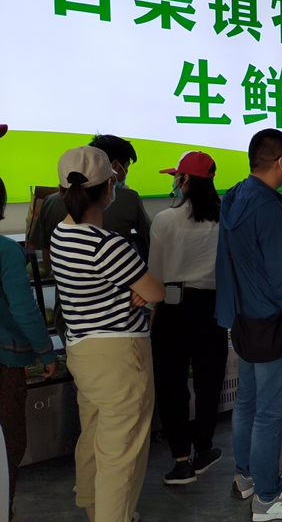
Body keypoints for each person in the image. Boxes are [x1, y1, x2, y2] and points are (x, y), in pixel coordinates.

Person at [49, 146, 165, 522]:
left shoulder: (60, 235)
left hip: (81, 350)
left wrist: (133, 289)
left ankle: (95, 511)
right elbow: (155, 292)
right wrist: (135, 290)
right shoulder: (108, 245)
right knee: (122, 454)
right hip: (120, 356)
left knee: (93, 439)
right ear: (110, 187)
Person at [215, 129, 282, 521]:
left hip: (242, 316)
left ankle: (246, 477)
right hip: (272, 321)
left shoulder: (235, 196)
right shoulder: (270, 208)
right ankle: (269, 497)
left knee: (247, 401)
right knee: (270, 413)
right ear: (281, 161)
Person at [148, 152, 228, 485]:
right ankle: (204, 448)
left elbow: (154, 272)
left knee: (172, 384)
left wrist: (152, 310)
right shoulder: (224, 218)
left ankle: (181, 460)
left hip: (172, 307)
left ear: (184, 180)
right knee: (210, 382)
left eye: (176, 177)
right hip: (212, 308)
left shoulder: (165, 219)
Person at [28, 134, 152, 344]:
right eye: (126, 168)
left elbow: (45, 259)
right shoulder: (129, 200)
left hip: (69, 314)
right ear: (114, 168)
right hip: (117, 319)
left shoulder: (49, 202)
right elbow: (151, 240)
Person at [0, 175, 59, 521]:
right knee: (8, 446)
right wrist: (46, 351)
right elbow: (23, 308)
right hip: (5, 362)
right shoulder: (7, 251)